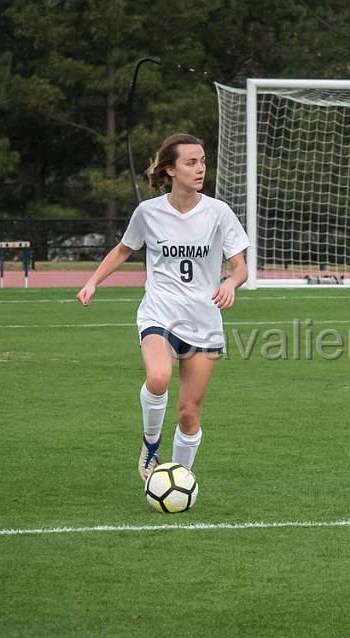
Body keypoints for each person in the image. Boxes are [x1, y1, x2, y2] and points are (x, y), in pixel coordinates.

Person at [77, 133, 249, 481]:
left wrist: (230, 282)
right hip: (160, 313)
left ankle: (178, 478)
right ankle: (151, 444)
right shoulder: (148, 212)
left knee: (188, 414)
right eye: (191, 162)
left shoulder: (219, 213)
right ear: (170, 169)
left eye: (202, 161)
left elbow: (240, 265)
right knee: (158, 377)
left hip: (203, 321)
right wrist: (93, 280)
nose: (200, 168)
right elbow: (124, 249)